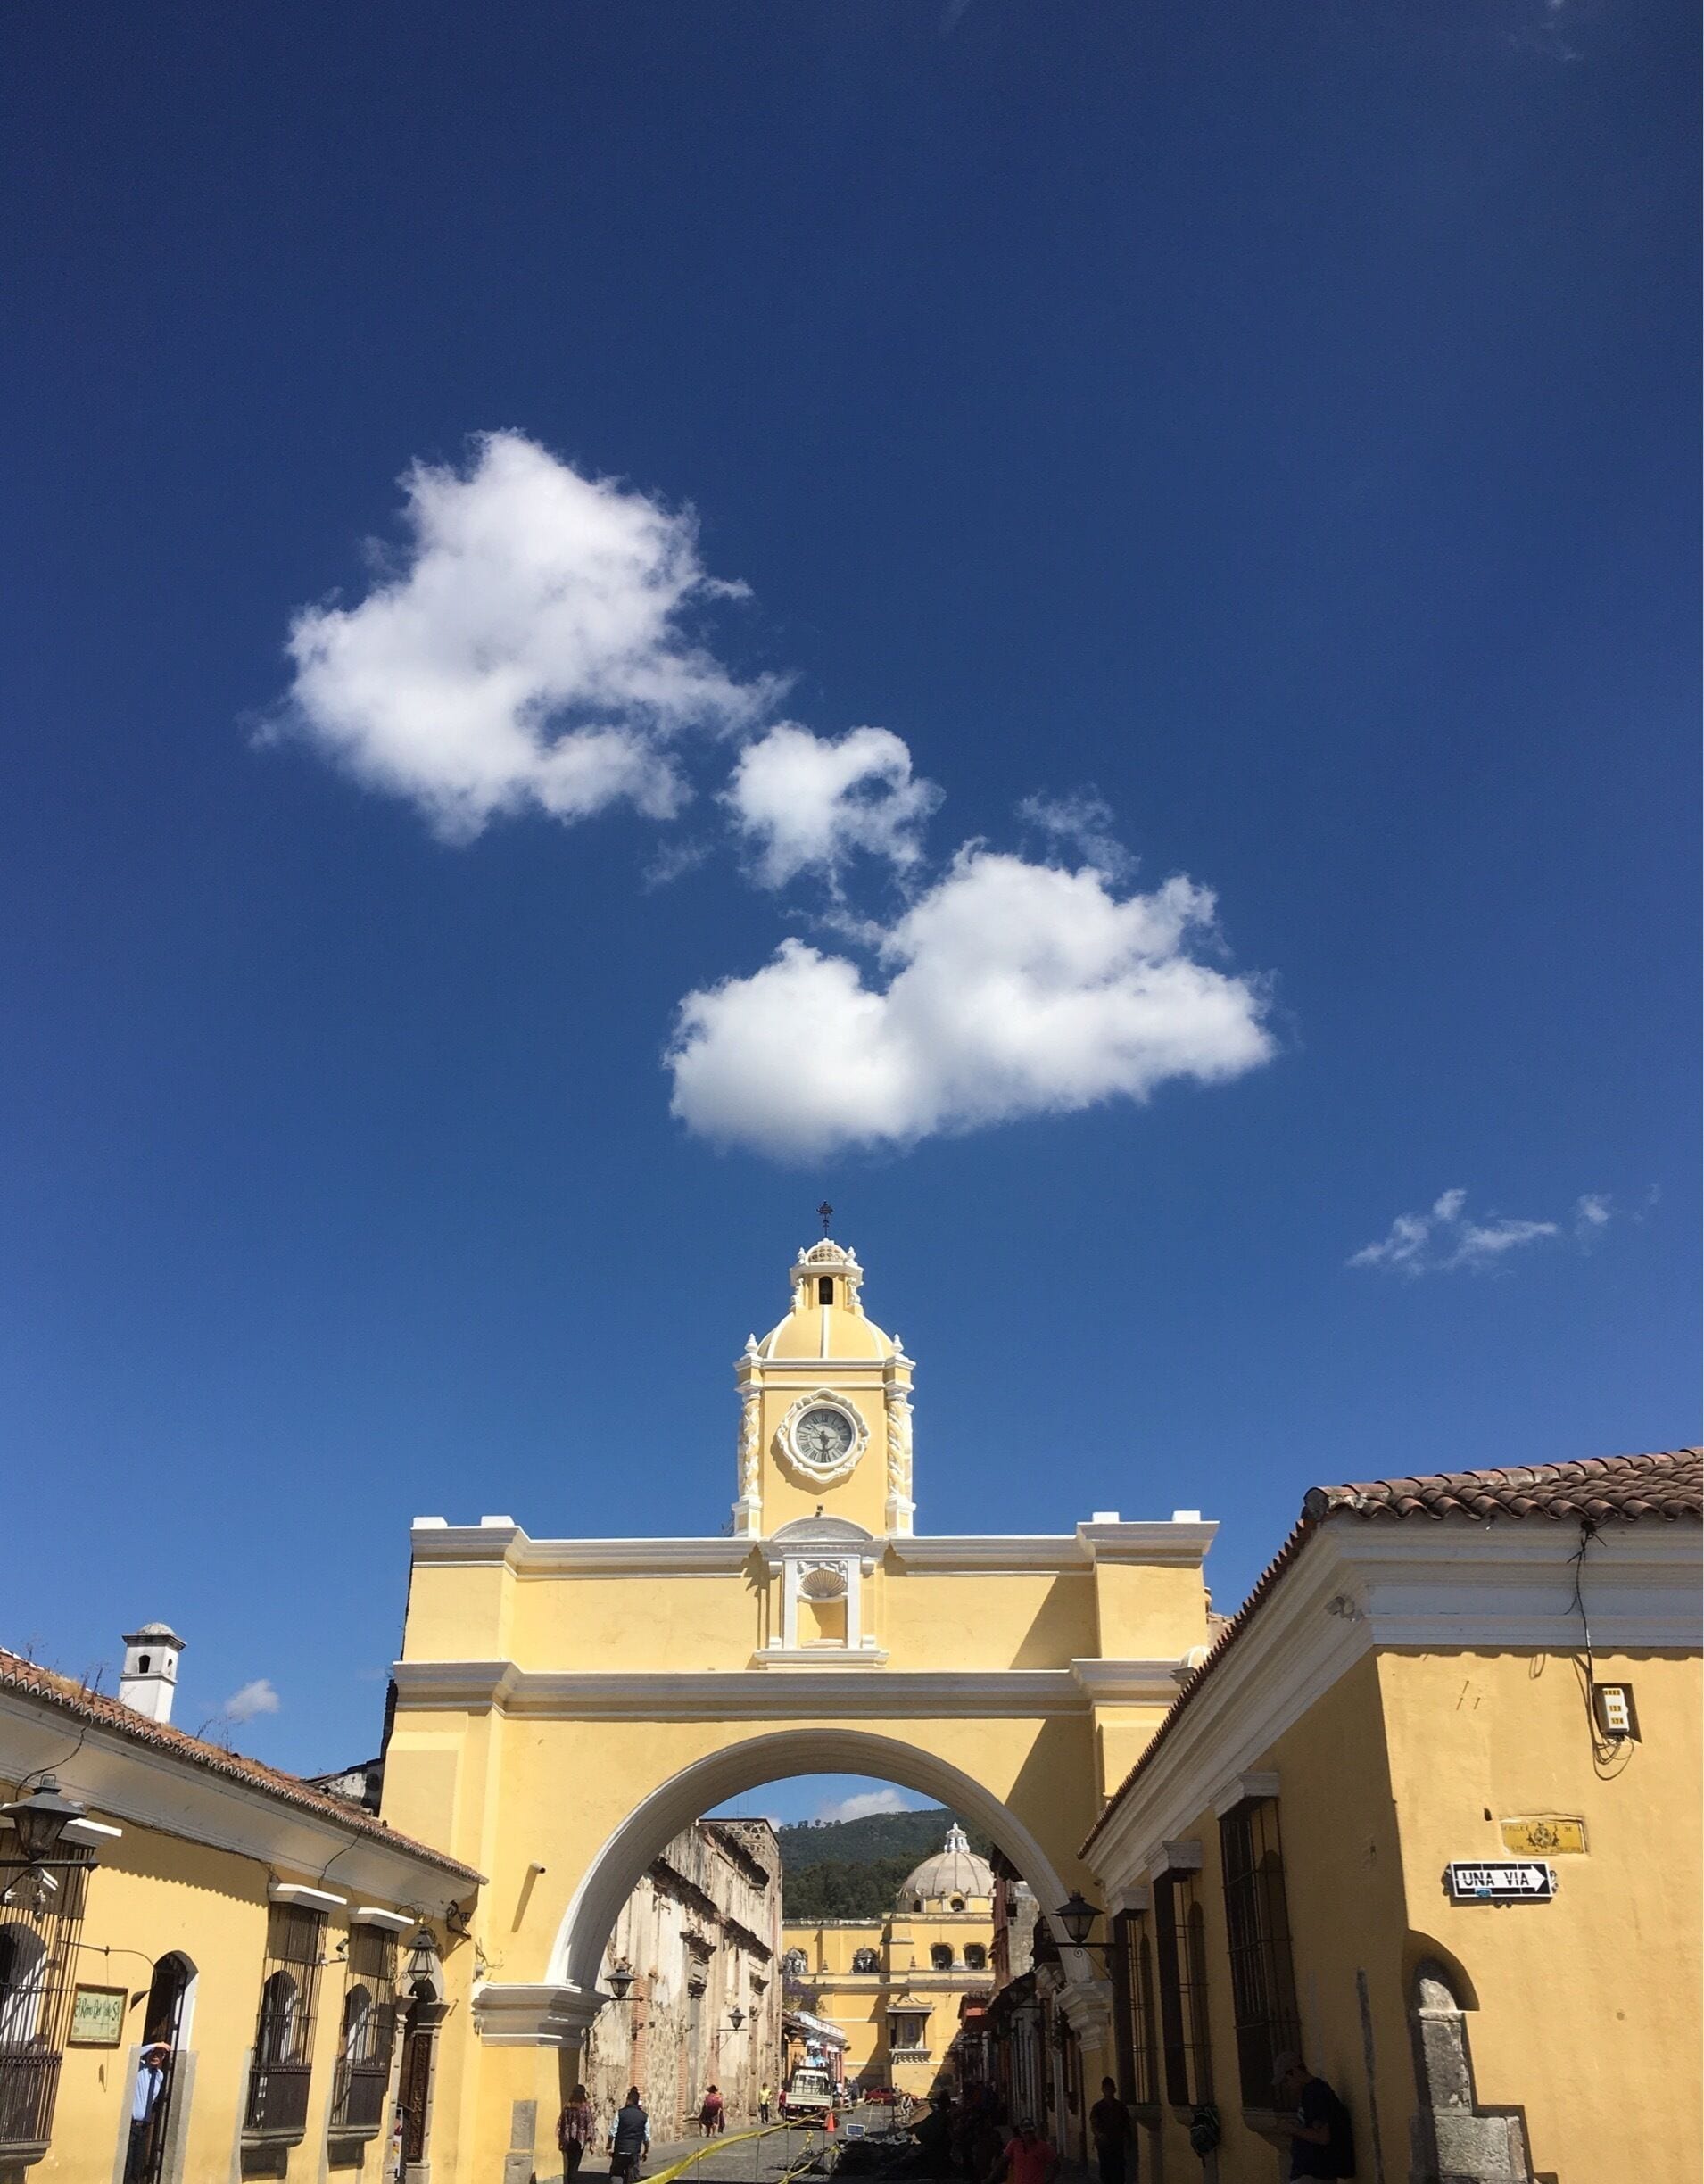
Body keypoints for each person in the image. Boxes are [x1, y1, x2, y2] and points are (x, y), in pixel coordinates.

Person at [1270, 2054, 1355, 2180]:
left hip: (1314, 2174)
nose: (1286, 2087)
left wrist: (1292, 2129)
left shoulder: (1316, 2094)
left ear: (1294, 2072)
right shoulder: (1309, 2093)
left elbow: (1322, 2137)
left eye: (1286, 2081)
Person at [124, 2045, 171, 2184]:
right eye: (153, 2053)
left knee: (138, 2164)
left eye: (160, 2054)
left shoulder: (160, 2075)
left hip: (144, 2127)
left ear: (163, 2058)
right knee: (128, 2163)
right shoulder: (139, 2068)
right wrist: (156, 2045)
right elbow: (135, 2052)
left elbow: (152, 2098)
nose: (155, 2056)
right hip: (132, 2124)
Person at [1089, 2077, 1134, 2184]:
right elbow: (1094, 2124)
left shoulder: (1120, 2107)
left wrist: (1128, 2139)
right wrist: (1099, 2135)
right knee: (1106, 2170)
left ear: (1114, 2090)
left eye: (1110, 2088)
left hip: (1118, 2142)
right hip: (1104, 2143)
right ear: (1103, 2090)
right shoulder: (1098, 2107)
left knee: (1119, 2170)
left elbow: (1126, 2124)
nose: (1108, 2091)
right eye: (1106, 2089)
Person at [988, 2116, 1056, 2184]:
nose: (1028, 2136)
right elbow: (1002, 2160)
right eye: (1025, 2133)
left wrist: (1050, 2180)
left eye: (1030, 2133)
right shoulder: (1015, 2144)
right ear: (1021, 2133)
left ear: (1034, 2131)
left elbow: (1055, 2164)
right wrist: (990, 2178)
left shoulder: (1043, 2146)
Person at [609, 2088, 650, 2182]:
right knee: (632, 2177)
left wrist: (608, 2146)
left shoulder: (620, 2113)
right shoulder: (644, 2116)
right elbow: (647, 2137)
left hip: (620, 2150)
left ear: (628, 2100)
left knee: (616, 2174)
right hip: (634, 2152)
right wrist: (646, 2151)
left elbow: (612, 2132)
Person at [557, 2085, 596, 2179]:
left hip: (568, 2139)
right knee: (575, 2164)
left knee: (570, 2163)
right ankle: (572, 2180)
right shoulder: (585, 2108)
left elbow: (561, 2122)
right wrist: (592, 2142)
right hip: (579, 2139)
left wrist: (561, 2139)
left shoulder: (567, 2107)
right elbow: (590, 2124)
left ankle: (570, 2180)